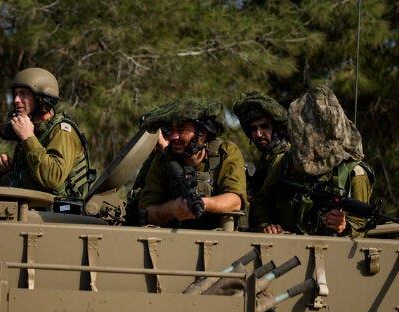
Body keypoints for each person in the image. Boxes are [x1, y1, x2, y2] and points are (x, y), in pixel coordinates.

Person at [249, 85, 374, 237]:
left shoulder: (354, 172)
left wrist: (345, 227)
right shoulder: (287, 162)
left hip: (331, 253)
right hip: (284, 250)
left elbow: (361, 225)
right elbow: (260, 201)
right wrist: (267, 225)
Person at [136, 97, 247, 230]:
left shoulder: (226, 152)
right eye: (170, 130)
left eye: (181, 130)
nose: (173, 137)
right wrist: (170, 209)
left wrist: (203, 203)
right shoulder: (162, 159)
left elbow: (235, 200)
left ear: (202, 133)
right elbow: (146, 212)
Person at [0, 67, 92, 200]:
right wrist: (5, 175)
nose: (16, 99)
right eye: (15, 94)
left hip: (60, 215)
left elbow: (52, 178)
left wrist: (28, 137)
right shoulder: (36, 131)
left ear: (42, 98)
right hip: (33, 210)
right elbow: (28, 183)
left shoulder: (62, 131)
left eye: (24, 93)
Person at [232, 91, 289, 200]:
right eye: (254, 129)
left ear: (277, 128)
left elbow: (267, 202)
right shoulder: (268, 158)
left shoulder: (284, 159)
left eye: (264, 126)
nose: (258, 134)